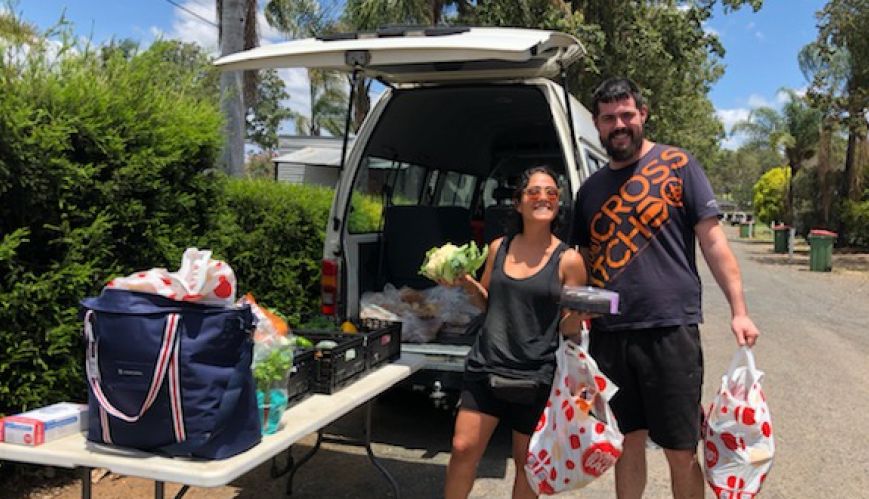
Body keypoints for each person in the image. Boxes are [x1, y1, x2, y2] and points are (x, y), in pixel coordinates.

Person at [571, 77, 760, 499]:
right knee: (627, 443)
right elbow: (581, 261)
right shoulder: (589, 191)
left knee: (680, 447)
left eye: (626, 115)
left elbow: (713, 241)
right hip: (610, 334)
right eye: (608, 118)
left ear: (642, 115)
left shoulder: (678, 165)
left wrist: (739, 309)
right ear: (598, 126)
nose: (618, 124)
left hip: (670, 330)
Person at [443, 166, 587, 499]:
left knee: (527, 465)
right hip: (486, 364)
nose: (543, 198)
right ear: (519, 203)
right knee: (462, 448)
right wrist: (466, 282)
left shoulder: (569, 261)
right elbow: (488, 303)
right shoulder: (498, 248)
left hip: (536, 375)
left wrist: (576, 318)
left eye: (551, 192)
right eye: (534, 192)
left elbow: (568, 329)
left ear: (558, 204)